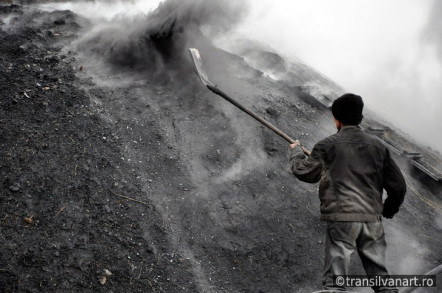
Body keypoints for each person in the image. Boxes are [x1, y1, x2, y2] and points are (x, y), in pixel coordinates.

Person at [289, 93, 406, 293]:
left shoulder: (327, 145)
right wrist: (388, 210)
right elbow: (398, 186)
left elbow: (304, 172)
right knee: (382, 282)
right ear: (359, 117)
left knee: (335, 284)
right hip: (371, 219)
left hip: (342, 218)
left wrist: (296, 151)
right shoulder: (379, 147)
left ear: (337, 118)